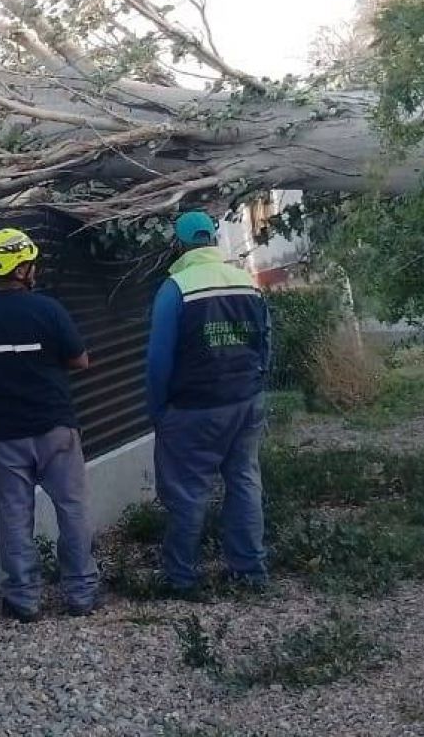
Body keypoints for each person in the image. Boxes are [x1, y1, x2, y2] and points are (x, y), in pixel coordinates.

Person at [0, 227, 99, 621]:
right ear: (20, 269)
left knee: (15, 515)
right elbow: (80, 360)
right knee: (72, 508)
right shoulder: (48, 309)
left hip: (5, 432)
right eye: (31, 263)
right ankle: (81, 593)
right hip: (55, 426)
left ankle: (23, 599)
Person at [144, 210, 273, 594]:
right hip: (246, 400)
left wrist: (158, 410)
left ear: (178, 245)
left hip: (193, 408)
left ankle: (182, 578)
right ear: (214, 240)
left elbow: (158, 360)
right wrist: (256, 384)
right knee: (245, 481)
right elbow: (265, 342)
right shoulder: (246, 282)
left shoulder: (175, 289)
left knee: (187, 492)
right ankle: (249, 571)